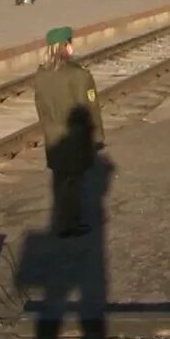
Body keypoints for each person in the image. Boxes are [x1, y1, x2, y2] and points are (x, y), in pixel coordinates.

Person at [33, 26, 106, 238]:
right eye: (70, 42)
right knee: (73, 183)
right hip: (75, 137)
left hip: (53, 135)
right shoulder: (79, 75)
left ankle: (63, 220)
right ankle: (69, 225)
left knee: (60, 180)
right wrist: (98, 138)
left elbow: (40, 108)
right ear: (66, 45)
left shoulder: (41, 74)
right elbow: (90, 109)